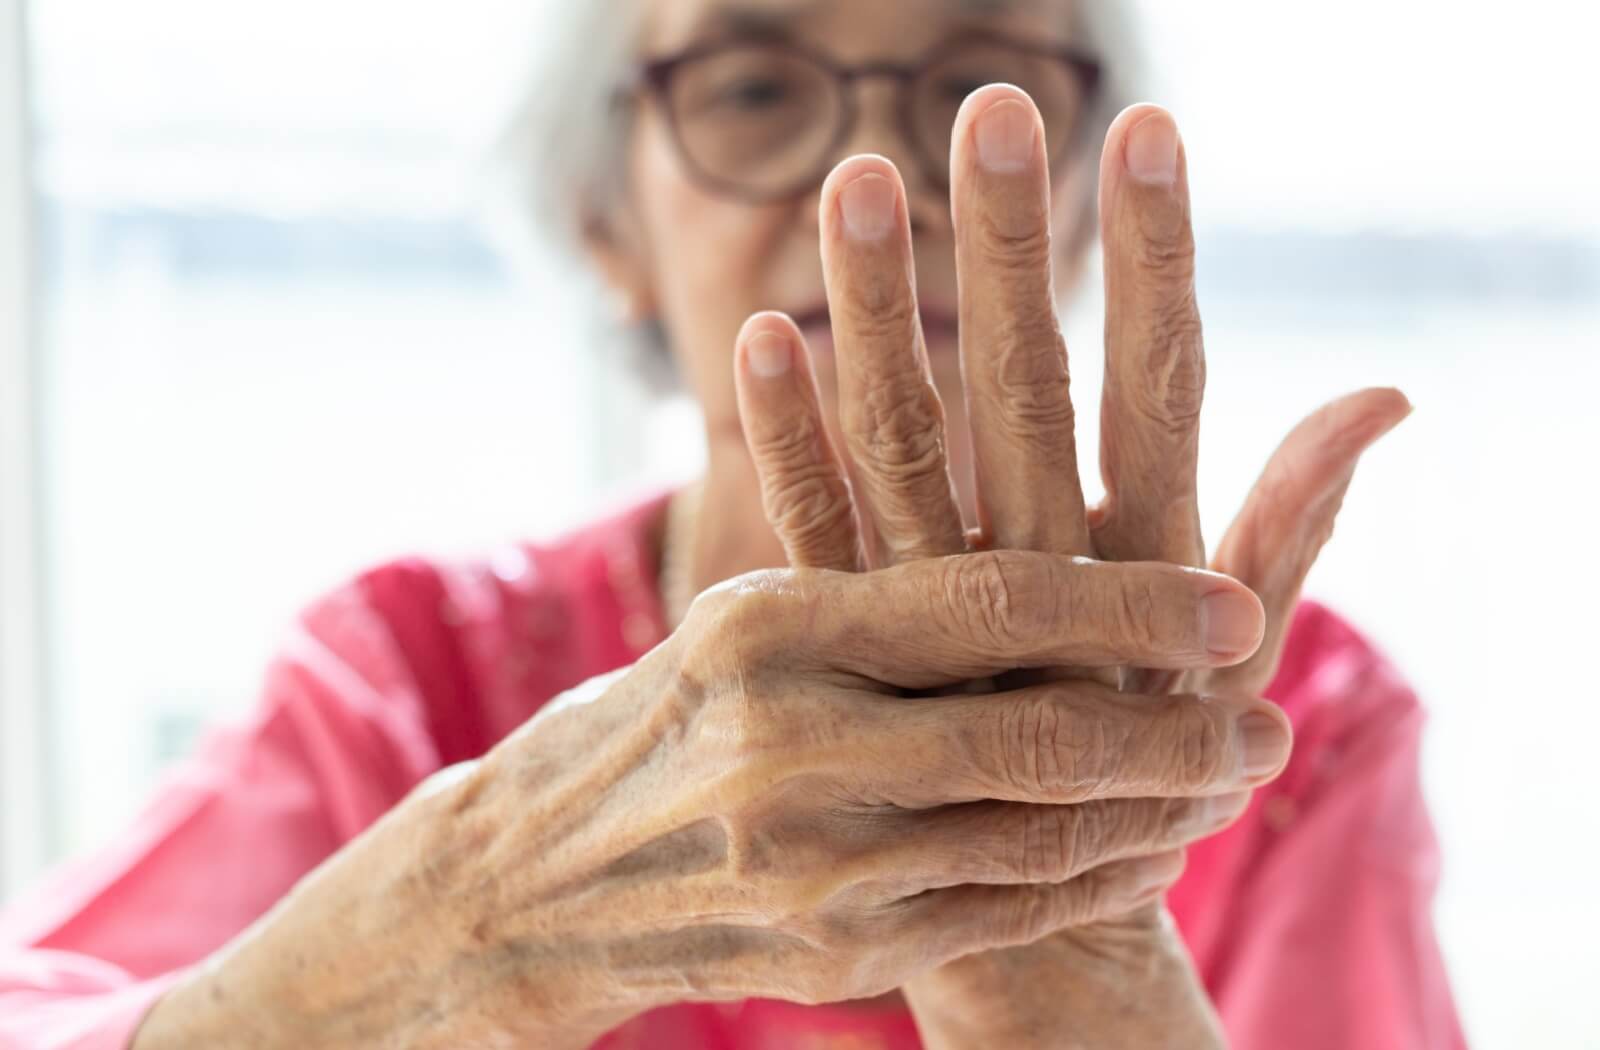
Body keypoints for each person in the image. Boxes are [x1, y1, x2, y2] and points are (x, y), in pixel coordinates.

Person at [0, 1, 1467, 1047]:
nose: (872, 187)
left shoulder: (1286, 718)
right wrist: (467, 927)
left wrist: (1070, 974)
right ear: (605, 219)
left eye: (978, 87)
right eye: (754, 87)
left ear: (1081, 205)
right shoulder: (403, 675)